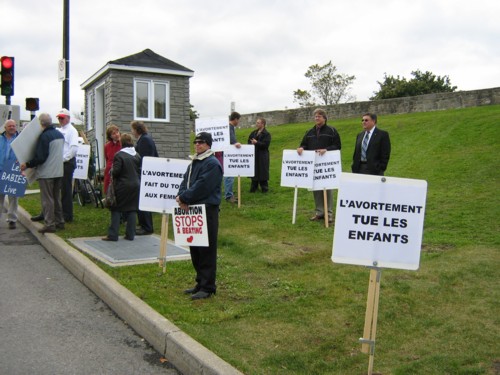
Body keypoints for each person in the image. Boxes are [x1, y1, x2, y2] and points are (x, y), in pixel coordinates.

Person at [176, 132, 223, 300]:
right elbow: (185, 183)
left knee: (206, 249)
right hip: (192, 209)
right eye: (196, 142)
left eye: (201, 142)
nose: (197, 144)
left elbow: (203, 186)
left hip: (207, 209)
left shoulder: (212, 163)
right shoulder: (194, 163)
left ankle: (208, 286)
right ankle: (200, 282)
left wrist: (184, 197)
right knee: (194, 247)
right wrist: (181, 196)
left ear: (208, 144)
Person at [21, 113, 65, 234]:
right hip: (58, 171)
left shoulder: (44, 136)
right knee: (56, 197)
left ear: (41, 124)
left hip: (47, 173)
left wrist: (28, 164)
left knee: (47, 199)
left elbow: (41, 157)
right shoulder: (59, 134)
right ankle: (60, 221)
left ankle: (50, 224)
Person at [297, 108, 341, 223]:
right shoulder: (309, 132)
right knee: (316, 188)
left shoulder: (332, 130)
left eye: (319, 116)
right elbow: (304, 144)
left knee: (327, 189)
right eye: (315, 116)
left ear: (324, 118)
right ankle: (319, 212)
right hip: (313, 164)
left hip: (327, 165)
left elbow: (337, 145)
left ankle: (329, 213)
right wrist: (301, 148)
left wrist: (326, 149)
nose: (317, 118)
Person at [102, 133, 141, 242]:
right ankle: (130, 235)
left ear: (122, 143)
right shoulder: (137, 155)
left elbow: (116, 172)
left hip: (122, 186)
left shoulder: (119, 155)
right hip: (135, 185)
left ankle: (113, 235)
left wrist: (111, 171)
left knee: (116, 208)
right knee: (132, 209)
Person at [131, 121, 158, 235]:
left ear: (137, 130)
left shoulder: (145, 140)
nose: (132, 132)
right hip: (143, 174)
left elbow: (145, 159)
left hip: (144, 175)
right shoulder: (144, 139)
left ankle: (146, 227)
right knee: (141, 201)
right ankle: (143, 224)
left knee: (143, 201)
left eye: (132, 129)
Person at [56, 108, 79, 222]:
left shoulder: (72, 131)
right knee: (59, 189)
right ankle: (60, 212)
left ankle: (67, 214)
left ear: (68, 118)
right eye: (59, 118)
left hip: (67, 163)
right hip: (60, 162)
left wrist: (64, 159)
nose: (60, 120)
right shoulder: (60, 130)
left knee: (66, 189)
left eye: (62, 118)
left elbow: (73, 148)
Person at [0, 119, 20, 229]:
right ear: (5, 128)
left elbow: (26, 153)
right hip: (1, 170)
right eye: (10, 126)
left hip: (13, 170)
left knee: (13, 197)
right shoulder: (0, 139)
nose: (12, 127)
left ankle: (12, 219)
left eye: (14, 125)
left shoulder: (20, 140)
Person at [247, 117, 271, 193]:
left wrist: (257, 143)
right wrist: (251, 143)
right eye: (256, 122)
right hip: (254, 155)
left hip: (262, 155)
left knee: (262, 171)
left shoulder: (267, 134)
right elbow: (249, 141)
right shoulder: (253, 133)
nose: (256, 124)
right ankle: (254, 187)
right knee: (254, 171)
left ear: (263, 124)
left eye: (258, 123)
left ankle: (264, 188)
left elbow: (266, 145)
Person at [223, 111, 241, 203]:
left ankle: (229, 194)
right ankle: (229, 196)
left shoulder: (229, 127)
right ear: (235, 119)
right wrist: (236, 143)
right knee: (229, 175)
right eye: (238, 120)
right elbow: (231, 139)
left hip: (227, 154)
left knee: (229, 175)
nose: (238, 122)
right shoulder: (229, 127)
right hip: (228, 155)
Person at [103, 125, 122, 194]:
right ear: (110, 136)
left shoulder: (123, 144)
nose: (116, 134)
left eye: (117, 132)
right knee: (109, 189)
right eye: (114, 133)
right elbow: (107, 158)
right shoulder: (107, 146)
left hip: (119, 169)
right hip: (109, 169)